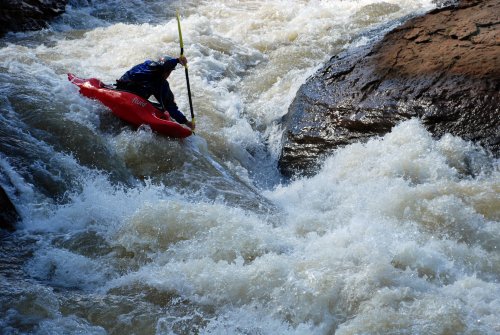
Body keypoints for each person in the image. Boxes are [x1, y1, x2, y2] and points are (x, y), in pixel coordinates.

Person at [116, 55, 194, 130]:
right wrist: (186, 122)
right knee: (166, 105)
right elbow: (171, 107)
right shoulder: (159, 80)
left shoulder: (147, 64)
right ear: (168, 71)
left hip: (120, 89)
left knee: (161, 107)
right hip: (128, 95)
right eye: (169, 71)